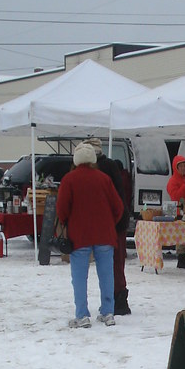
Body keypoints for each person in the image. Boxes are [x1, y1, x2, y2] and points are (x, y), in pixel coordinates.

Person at [57, 142, 124, 329]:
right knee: (106, 274)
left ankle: (82, 315)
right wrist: (109, 222)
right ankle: (108, 312)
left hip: (79, 236)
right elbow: (118, 207)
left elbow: (62, 209)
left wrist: (66, 222)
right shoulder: (104, 179)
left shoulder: (69, 180)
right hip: (105, 234)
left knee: (79, 277)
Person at [84, 137, 131, 314]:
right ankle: (117, 300)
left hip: (112, 222)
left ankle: (118, 300)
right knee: (116, 263)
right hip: (116, 221)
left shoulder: (101, 168)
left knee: (114, 264)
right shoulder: (109, 165)